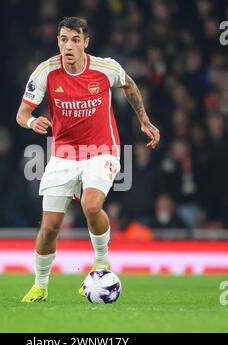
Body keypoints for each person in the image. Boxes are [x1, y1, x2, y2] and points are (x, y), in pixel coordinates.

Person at [16, 17, 160, 302]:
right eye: (63, 39)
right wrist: (32, 122)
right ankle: (40, 286)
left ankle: (102, 264)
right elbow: (21, 113)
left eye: (74, 40)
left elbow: (129, 86)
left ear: (85, 42)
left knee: (91, 205)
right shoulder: (46, 71)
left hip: (102, 149)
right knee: (49, 227)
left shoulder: (105, 68)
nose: (67, 46)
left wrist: (144, 120)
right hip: (64, 154)